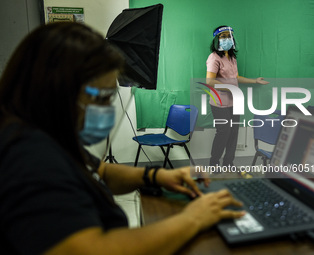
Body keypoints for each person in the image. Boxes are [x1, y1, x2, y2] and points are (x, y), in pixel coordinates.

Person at [0, 22, 245, 255]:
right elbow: (90, 251)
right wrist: (193, 218)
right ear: (58, 91)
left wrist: (156, 176)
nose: (108, 107)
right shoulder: (28, 156)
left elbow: (99, 172)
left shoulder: (46, 135)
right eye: (103, 97)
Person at [206, 25, 269, 168]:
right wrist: (229, 88)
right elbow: (209, 81)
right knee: (224, 132)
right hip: (219, 103)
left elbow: (236, 77)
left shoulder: (232, 57)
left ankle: (228, 163)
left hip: (234, 102)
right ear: (217, 39)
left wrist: (254, 81)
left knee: (234, 133)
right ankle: (214, 163)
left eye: (229, 36)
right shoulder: (214, 57)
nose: (227, 38)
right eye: (223, 36)